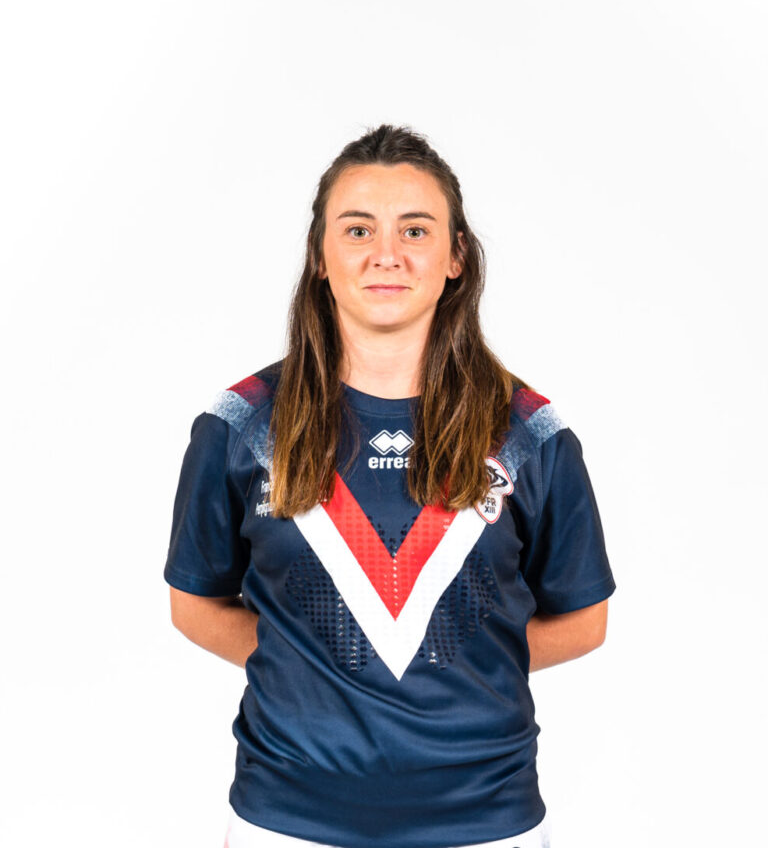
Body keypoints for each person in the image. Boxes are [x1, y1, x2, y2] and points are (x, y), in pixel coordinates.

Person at [164, 124, 616, 848]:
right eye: (357, 230)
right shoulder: (241, 424)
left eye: (415, 230)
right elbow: (194, 605)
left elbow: (585, 621)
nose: (386, 254)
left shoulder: (530, 432)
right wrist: (308, 666)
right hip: (286, 819)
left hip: (486, 820)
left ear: (456, 256)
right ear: (320, 256)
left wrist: (461, 665)